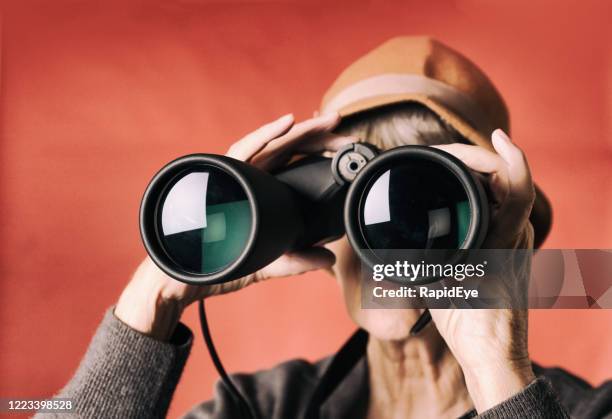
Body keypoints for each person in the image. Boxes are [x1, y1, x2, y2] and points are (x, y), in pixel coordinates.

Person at [40, 37, 611, 419]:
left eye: (412, 202)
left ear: (499, 223)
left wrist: (498, 371)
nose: (377, 241)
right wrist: (161, 289)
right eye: (348, 200)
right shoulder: (266, 407)